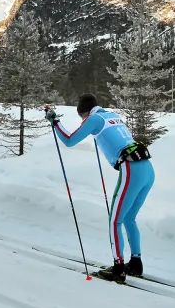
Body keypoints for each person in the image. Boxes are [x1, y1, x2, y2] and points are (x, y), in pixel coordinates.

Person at [45, 93, 155, 283]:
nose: (83, 121)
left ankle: (118, 268)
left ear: (83, 113)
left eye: (81, 118)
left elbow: (69, 140)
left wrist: (55, 122)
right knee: (129, 218)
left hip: (131, 169)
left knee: (115, 221)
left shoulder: (94, 118)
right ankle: (135, 263)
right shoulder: (111, 115)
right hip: (146, 169)